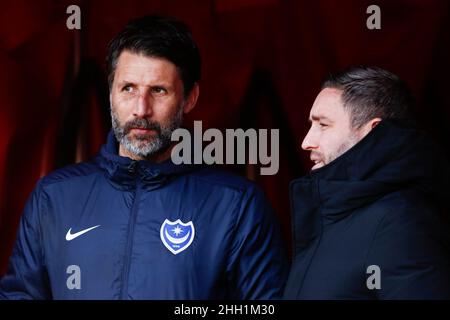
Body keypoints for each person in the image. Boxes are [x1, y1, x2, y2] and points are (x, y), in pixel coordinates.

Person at [0, 15, 288, 299]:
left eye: (158, 91)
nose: (141, 109)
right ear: (111, 93)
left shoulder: (237, 205)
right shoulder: (53, 196)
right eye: (128, 88)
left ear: (190, 98)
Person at [284, 66, 450, 299]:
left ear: (371, 132)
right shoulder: (335, 213)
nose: (306, 142)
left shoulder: (402, 223)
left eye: (323, 125)